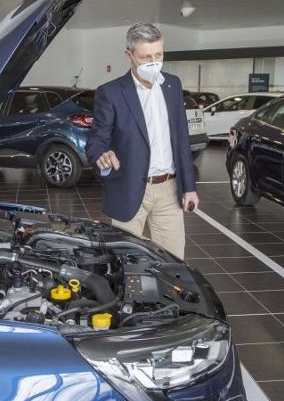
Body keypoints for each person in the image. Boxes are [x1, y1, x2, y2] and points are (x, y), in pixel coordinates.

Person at [85, 22, 199, 259]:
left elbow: (181, 138)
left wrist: (189, 187)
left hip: (169, 189)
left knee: (173, 262)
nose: (154, 62)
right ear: (129, 56)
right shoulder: (111, 92)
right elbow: (97, 140)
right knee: (125, 263)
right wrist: (101, 155)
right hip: (129, 188)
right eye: (146, 57)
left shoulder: (172, 85)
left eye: (158, 55)